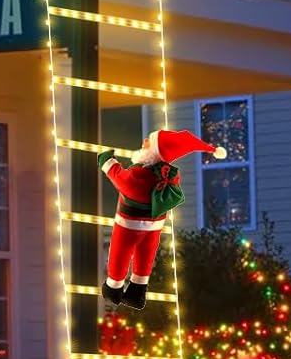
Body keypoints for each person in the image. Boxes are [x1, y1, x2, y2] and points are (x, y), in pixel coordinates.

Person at [97, 127, 226, 310]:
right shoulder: (169, 177)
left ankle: (113, 288)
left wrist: (107, 161)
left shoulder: (139, 175)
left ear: (153, 153)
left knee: (120, 253)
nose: (144, 141)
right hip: (153, 229)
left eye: (149, 142)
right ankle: (137, 292)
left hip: (128, 226)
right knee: (145, 257)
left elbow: (120, 179)